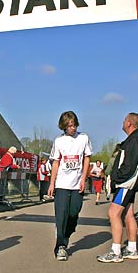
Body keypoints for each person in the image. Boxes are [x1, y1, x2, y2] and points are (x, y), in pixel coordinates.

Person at [97, 112, 138, 263]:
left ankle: (116, 251)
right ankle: (132, 249)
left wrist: (116, 179)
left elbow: (129, 166)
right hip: (130, 184)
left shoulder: (133, 141)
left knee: (113, 213)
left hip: (126, 184)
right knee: (128, 214)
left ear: (129, 124)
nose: (123, 121)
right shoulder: (136, 140)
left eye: (125, 119)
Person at [48, 111, 92, 261]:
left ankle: (66, 234)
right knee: (61, 215)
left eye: (74, 125)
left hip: (76, 184)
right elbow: (55, 162)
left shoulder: (83, 138)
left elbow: (87, 158)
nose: (72, 128)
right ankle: (60, 246)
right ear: (64, 127)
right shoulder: (59, 141)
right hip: (61, 184)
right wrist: (52, 183)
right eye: (69, 126)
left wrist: (83, 179)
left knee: (73, 213)